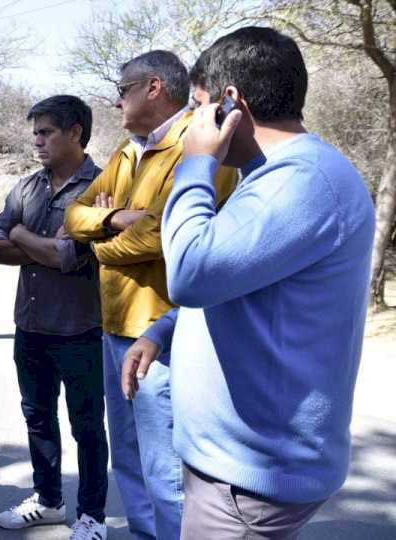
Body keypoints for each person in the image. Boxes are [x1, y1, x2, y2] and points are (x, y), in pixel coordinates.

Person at [121, 27, 375, 540]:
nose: (191, 123)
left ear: (229, 104)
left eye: (196, 106)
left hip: (249, 482)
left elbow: (190, 271)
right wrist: (165, 329)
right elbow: (240, 278)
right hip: (237, 473)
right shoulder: (271, 175)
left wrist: (196, 162)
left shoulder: (302, 181)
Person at [63, 51, 237, 540]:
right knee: (131, 461)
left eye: (123, 91)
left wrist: (97, 248)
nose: (118, 102)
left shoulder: (200, 146)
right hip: (115, 329)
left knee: (167, 474)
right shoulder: (126, 152)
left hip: (163, 334)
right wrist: (113, 218)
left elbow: (163, 237)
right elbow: (73, 215)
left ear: (154, 88)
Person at [0, 95, 109, 540]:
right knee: (37, 419)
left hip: (81, 330)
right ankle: (48, 500)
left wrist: (21, 235)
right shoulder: (25, 187)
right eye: (35, 132)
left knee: (87, 426)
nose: (37, 141)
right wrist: (33, 241)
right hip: (30, 327)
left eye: (46, 132)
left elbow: (69, 256)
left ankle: (92, 515)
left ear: (75, 132)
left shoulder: (101, 189)